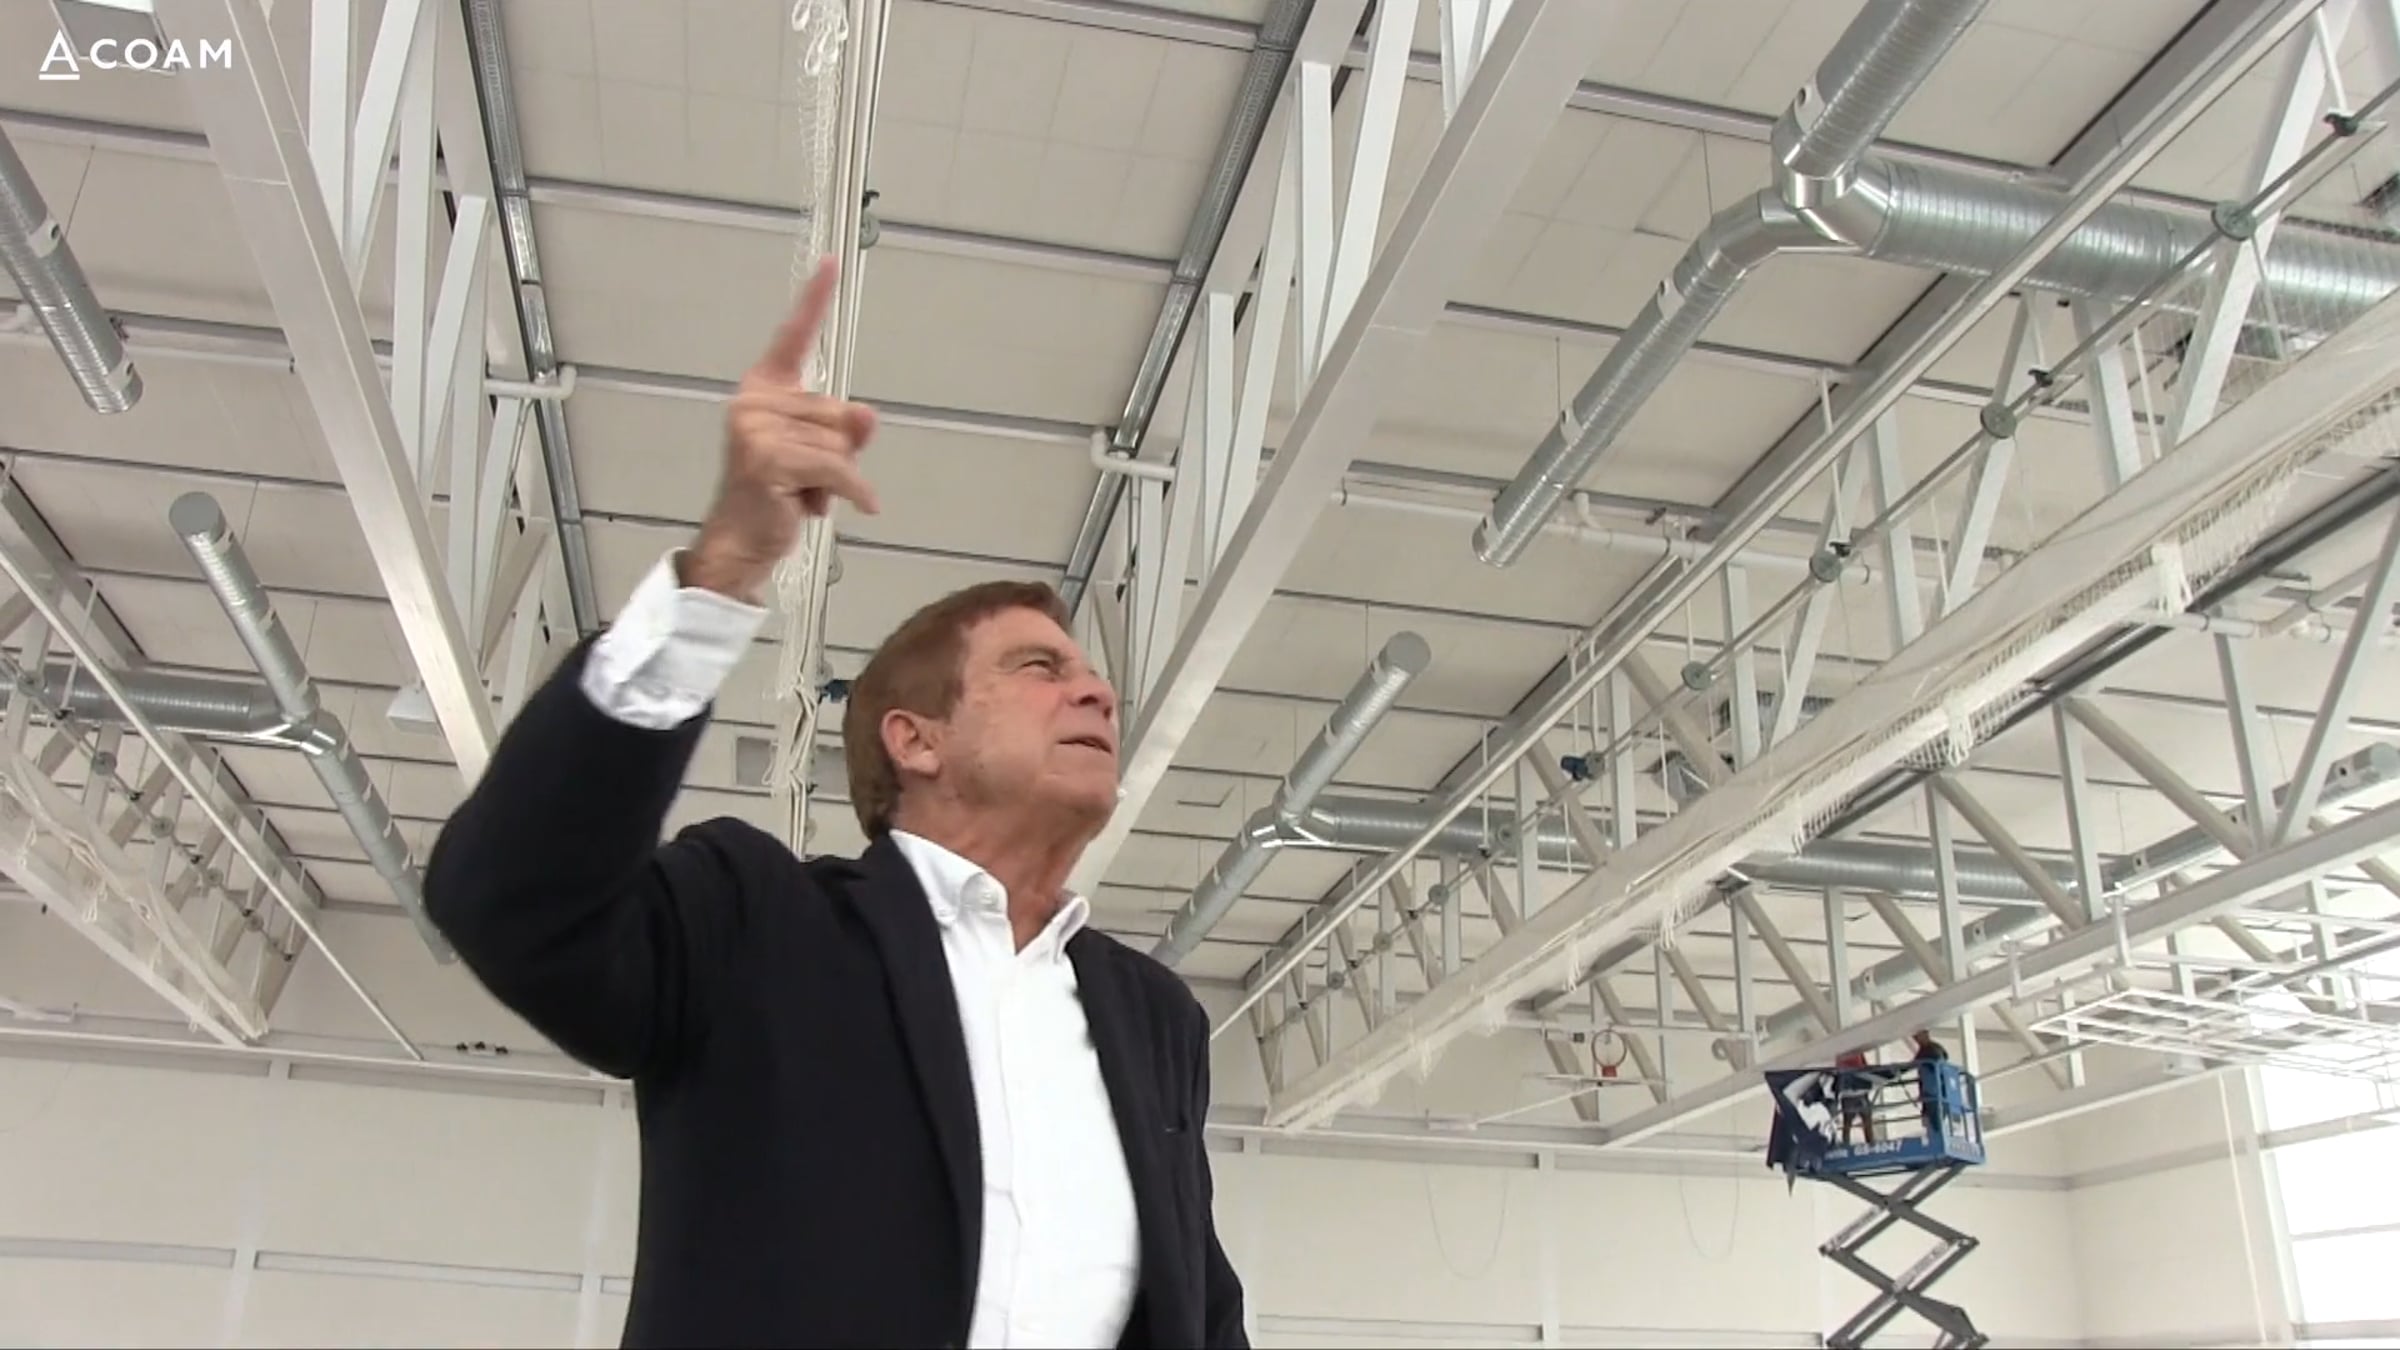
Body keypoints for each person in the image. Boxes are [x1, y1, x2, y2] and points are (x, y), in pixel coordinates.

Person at [422, 260, 1248, 1349]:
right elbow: (509, 903)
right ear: (916, 739)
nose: (1097, 692)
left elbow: (1201, 1310)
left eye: (1091, 676)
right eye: (1039, 668)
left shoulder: (1156, 1017)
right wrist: (723, 567)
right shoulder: (757, 923)